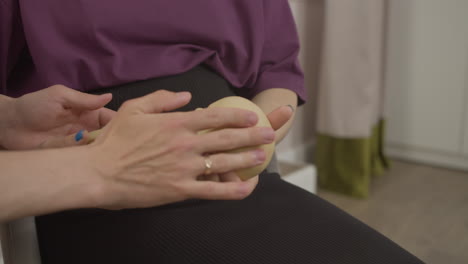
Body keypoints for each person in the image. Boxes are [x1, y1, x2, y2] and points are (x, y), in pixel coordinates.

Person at [1, 0, 423, 263]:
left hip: (226, 175)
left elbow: (277, 69)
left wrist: (247, 136)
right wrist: (13, 116)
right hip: (92, 184)